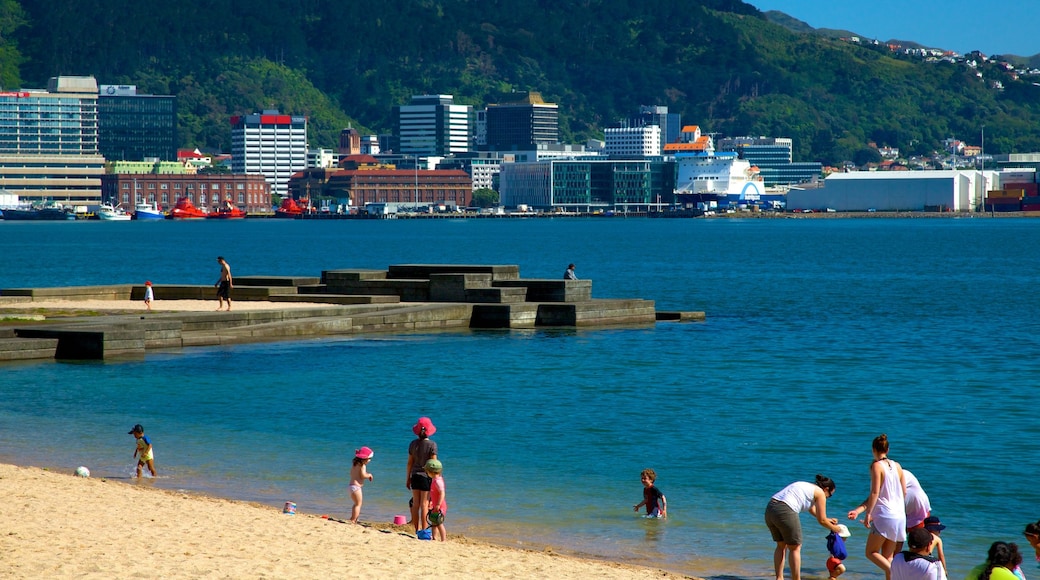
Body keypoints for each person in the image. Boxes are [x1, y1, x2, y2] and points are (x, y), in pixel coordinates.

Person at [848, 434, 907, 580]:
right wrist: (858, 510)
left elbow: (875, 492)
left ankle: (897, 572)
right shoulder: (898, 466)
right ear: (888, 449)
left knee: (871, 552)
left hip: (885, 516)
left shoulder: (876, 466)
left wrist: (868, 514)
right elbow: (904, 492)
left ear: (873, 449)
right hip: (899, 516)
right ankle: (893, 572)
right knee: (888, 557)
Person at [765, 475, 845, 580]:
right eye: (829, 496)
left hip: (770, 509)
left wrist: (828, 519)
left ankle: (779, 578)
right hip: (785, 510)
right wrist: (836, 529)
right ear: (826, 489)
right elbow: (821, 520)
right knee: (795, 547)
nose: (827, 498)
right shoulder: (820, 493)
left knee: (781, 546)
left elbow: (813, 510)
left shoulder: (807, 487)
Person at [405, 416, 438, 534]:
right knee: (425, 504)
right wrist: (436, 480)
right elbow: (433, 465)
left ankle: (415, 529)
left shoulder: (413, 444)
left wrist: (407, 478)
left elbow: (410, 463)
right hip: (426, 477)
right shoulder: (432, 445)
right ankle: (424, 530)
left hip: (414, 476)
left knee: (416, 503)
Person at [349, 446, 374, 523]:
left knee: (356, 504)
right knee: (358, 504)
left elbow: (352, 473)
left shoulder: (355, 464)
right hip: (356, 488)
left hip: (351, 486)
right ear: (364, 459)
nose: (370, 460)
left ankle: (353, 518)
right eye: (369, 459)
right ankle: (353, 519)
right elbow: (362, 475)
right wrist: (369, 475)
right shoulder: (363, 466)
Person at [425, 458, 447, 541]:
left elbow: (442, 493)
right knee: (433, 522)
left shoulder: (438, 481)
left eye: (427, 472)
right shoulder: (434, 480)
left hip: (440, 506)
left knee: (439, 523)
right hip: (435, 504)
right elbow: (433, 493)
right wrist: (431, 502)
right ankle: (434, 537)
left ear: (431, 472)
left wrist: (438, 504)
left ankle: (443, 539)